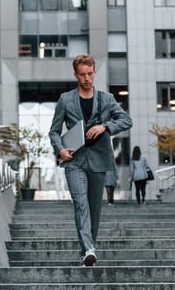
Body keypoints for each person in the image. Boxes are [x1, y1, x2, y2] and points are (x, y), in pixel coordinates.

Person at [49, 54, 132, 267]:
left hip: (99, 159)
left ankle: (88, 250)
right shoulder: (65, 99)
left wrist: (105, 126)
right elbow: (54, 132)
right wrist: (60, 150)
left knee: (95, 208)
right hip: (74, 160)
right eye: (82, 74)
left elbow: (126, 120)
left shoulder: (107, 99)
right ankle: (88, 248)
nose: (86, 78)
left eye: (90, 74)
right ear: (75, 74)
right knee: (80, 203)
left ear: (94, 73)